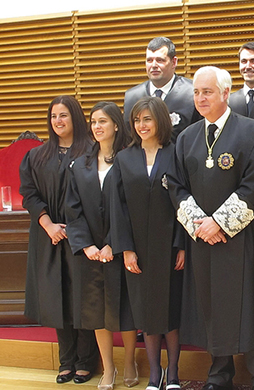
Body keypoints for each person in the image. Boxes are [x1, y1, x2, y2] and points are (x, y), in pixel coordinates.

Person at [172, 66, 254, 390]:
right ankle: (219, 376)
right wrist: (200, 225)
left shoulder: (250, 131)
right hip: (202, 241)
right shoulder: (187, 137)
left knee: (251, 307)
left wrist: (219, 222)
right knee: (211, 307)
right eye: (197, 92)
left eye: (207, 92)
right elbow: (176, 187)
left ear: (225, 94)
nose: (200, 98)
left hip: (240, 241)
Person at [19, 95, 98, 384]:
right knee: (58, 298)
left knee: (83, 298)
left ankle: (87, 360)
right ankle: (67, 360)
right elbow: (29, 193)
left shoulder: (92, 151)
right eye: (53, 116)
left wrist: (79, 230)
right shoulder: (37, 155)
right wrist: (49, 224)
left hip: (84, 235)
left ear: (75, 117)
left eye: (63, 115)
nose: (58, 121)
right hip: (49, 235)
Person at [110, 97, 185, 390]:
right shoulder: (124, 158)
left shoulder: (175, 154)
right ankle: (156, 374)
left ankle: (175, 373)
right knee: (148, 313)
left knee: (172, 311)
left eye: (148, 119)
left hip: (170, 247)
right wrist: (126, 248)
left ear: (160, 121)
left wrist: (181, 244)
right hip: (138, 249)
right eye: (137, 120)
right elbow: (118, 207)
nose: (142, 126)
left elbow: (184, 202)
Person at [65, 102, 138, 390]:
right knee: (97, 312)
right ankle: (109, 369)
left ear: (116, 125)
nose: (97, 127)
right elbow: (72, 209)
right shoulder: (80, 163)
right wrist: (86, 246)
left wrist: (113, 244)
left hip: (120, 248)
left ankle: (130, 360)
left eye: (103, 121)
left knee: (127, 310)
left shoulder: (128, 160)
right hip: (90, 252)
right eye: (93, 122)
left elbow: (132, 207)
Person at [123, 36, 202, 141]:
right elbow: (129, 139)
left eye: (160, 60)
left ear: (174, 62)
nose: (154, 65)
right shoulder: (132, 97)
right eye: (149, 60)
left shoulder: (192, 93)